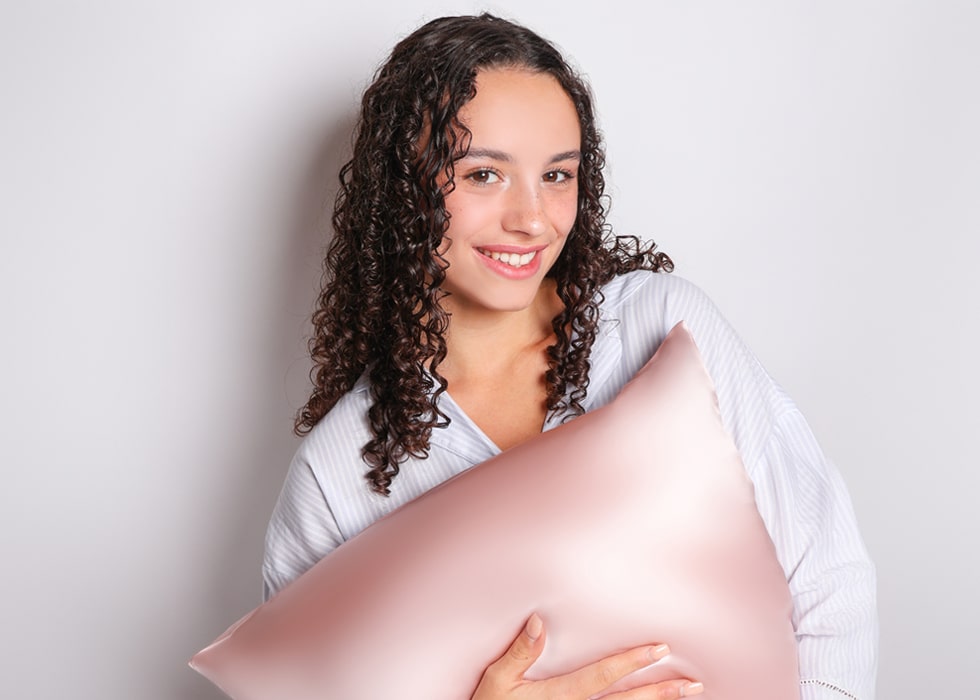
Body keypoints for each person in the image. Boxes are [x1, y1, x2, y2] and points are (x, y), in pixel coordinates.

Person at [263, 13, 877, 700]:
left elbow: (828, 578)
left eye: (558, 175)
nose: (531, 218)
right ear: (404, 187)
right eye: (484, 174)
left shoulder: (659, 328)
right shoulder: (339, 474)